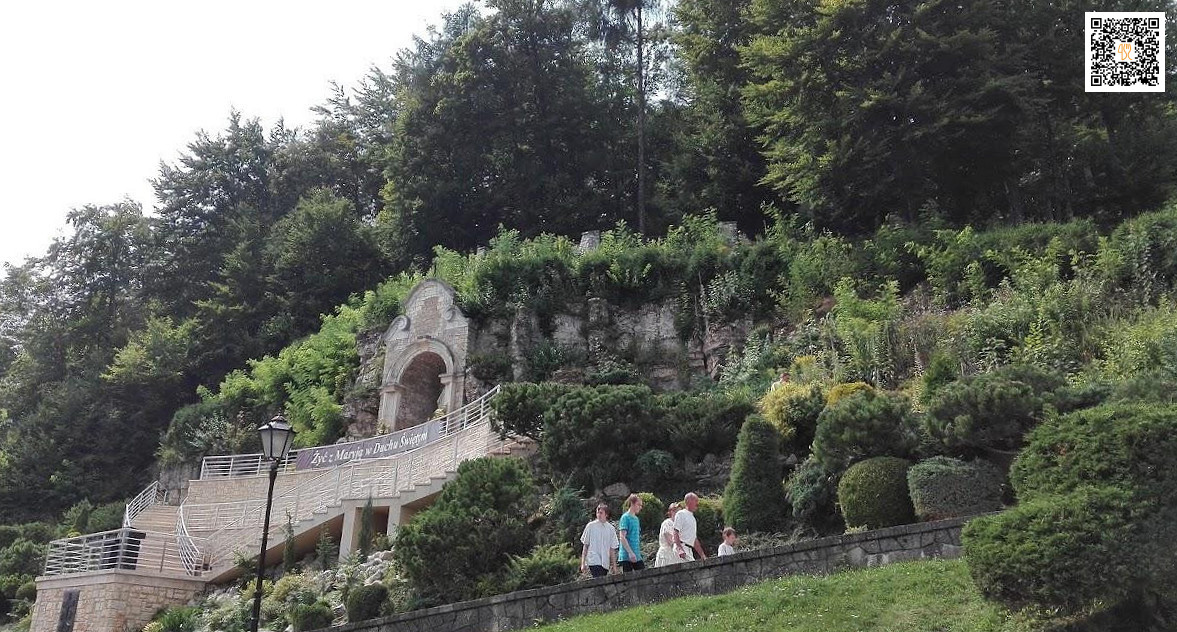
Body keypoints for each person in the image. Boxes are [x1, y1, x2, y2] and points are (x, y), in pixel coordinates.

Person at [579, 503, 618, 578]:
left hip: (605, 562)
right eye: (597, 513)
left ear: (606, 514)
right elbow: (586, 545)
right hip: (593, 560)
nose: (599, 515)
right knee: (598, 577)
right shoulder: (590, 526)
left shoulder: (611, 529)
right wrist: (583, 563)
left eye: (601, 513)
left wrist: (614, 566)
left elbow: (612, 549)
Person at [673, 493, 707, 562]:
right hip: (682, 549)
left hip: (689, 550)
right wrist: (679, 549)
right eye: (696, 501)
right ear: (689, 501)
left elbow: (694, 539)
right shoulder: (681, 514)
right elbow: (675, 531)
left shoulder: (693, 518)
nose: (697, 504)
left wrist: (702, 555)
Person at [617, 494, 645, 572]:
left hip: (636, 554)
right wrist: (630, 552)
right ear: (632, 504)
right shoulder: (625, 517)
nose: (640, 507)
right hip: (626, 555)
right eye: (638, 505)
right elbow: (622, 537)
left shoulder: (636, 519)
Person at [654, 502, 684, 567]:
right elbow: (670, 540)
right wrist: (679, 550)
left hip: (675, 554)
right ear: (671, 512)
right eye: (677, 511)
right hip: (666, 555)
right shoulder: (667, 523)